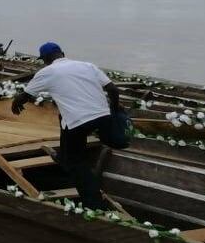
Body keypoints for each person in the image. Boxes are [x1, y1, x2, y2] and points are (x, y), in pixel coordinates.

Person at [9, 42, 128, 210]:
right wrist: (115, 109)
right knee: (64, 118)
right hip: (103, 116)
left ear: (45, 60)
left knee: (76, 163)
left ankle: (93, 203)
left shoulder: (47, 72)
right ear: (62, 53)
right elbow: (113, 90)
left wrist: (16, 104)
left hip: (78, 122)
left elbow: (25, 96)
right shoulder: (87, 66)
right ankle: (64, 156)